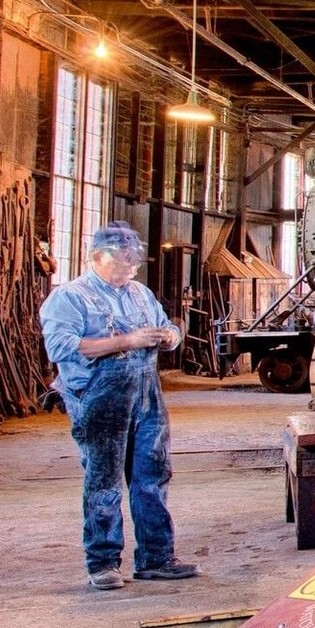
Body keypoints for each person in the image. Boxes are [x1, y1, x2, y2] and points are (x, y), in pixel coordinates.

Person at [40, 221, 197, 591]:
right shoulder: (70, 297)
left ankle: (157, 559)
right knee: (104, 481)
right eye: (124, 259)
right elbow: (60, 347)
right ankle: (103, 562)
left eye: (135, 260)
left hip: (146, 396)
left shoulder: (140, 293)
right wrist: (127, 340)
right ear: (98, 257)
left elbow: (165, 327)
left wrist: (169, 335)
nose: (132, 267)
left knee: (152, 477)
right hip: (99, 397)